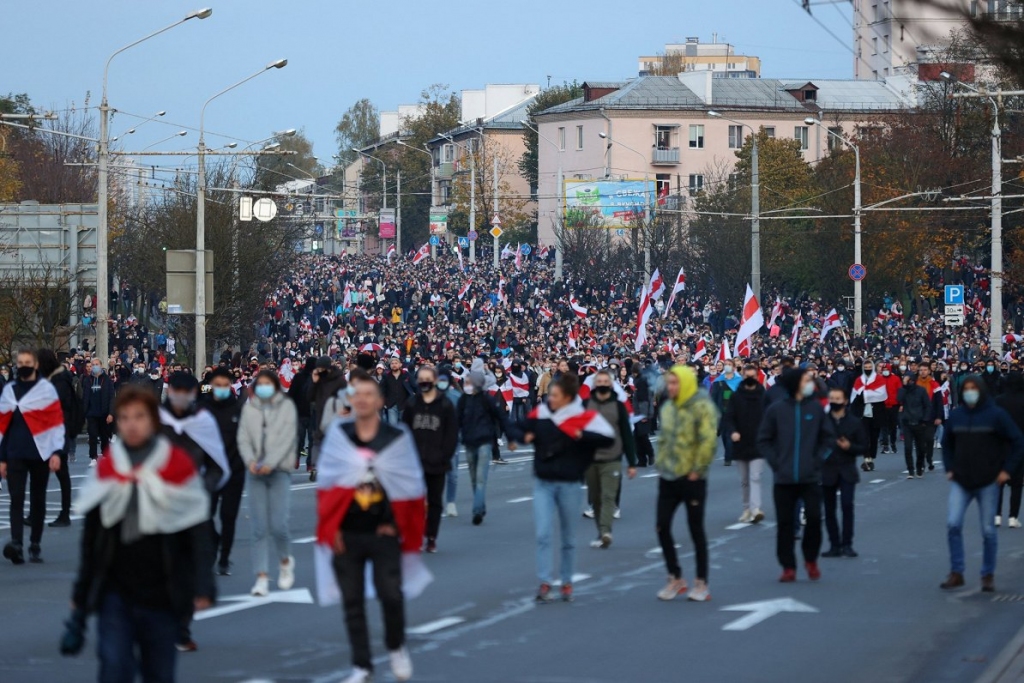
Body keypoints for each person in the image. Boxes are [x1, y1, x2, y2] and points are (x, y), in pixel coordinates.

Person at [66, 385, 214, 683]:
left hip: (163, 589)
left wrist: (203, 584)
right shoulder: (108, 468)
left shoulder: (177, 464)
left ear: (153, 421)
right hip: (115, 590)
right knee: (114, 667)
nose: (131, 424)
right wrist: (82, 593)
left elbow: (197, 530)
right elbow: (92, 538)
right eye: (124, 417)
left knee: (158, 673)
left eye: (139, 416)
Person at [315, 369, 426, 683]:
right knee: (352, 602)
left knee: (390, 593)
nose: (362, 399)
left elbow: (409, 486)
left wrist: (393, 523)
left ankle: (395, 645)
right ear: (350, 399)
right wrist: (331, 527)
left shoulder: (395, 438)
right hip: (347, 531)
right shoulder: (341, 437)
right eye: (357, 394)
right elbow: (328, 485)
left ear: (380, 400)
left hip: (383, 532)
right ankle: (361, 664)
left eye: (369, 394)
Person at [522, 373, 614, 603]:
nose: (549, 398)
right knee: (543, 533)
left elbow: (607, 437)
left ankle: (566, 582)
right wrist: (524, 437)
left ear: (566, 397)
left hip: (570, 483)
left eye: (554, 395)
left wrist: (582, 436)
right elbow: (520, 428)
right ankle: (545, 582)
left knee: (568, 537)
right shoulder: (543, 414)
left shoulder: (582, 415)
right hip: (544, 481)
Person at [159, 371, 228, 652]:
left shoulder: (202, 422)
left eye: (186, 391)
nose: (180, 396)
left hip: (192, 502)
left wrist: (205, 487)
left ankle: (182, 628)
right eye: (176, 390)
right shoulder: (155, 420)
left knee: (187, 567)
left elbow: (216, 465)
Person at [940, 376, 1024, 592]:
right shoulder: (957, 416)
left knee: (988, 530)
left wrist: (1007, 470)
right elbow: (946, 444)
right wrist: (949, 468)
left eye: (973, 389)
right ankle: (957, 571)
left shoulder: (996, 415)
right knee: (953, 524)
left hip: (988, 480)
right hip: (960, 480)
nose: (970, 392)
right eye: (966, 389)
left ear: (982, 390)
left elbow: (1017, 441)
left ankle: (987, 574)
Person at [757, 368, 835, 583]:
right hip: (783, 478)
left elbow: (828, 439)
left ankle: (811, 559)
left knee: (813, 518)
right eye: (806, 380)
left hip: (810, 477)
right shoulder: (776, 410)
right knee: (785, 524)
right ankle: (788, 566)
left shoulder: (816, 409)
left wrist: (817, 461)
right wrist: (776, 463)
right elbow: (764, 440)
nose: (811, 383)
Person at [654, 365, 718, 602]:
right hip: (668, 476)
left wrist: (698, 468)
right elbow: (663, 439)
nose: (670, 387)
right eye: (668, 383)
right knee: (661, 526)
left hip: (692, 478)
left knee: (695, 529)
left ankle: (701, 582)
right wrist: (660, 463)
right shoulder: (668, 408)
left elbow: (708, 440)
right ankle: (675, 577)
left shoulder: (702, 407)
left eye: (674, 383)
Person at [0, 348, 65, 564]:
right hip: (15, 453)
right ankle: (16, 543)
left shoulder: (46, 390)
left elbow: (56, 424)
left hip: (41, 452)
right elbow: (3, 427)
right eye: (20, 362)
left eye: (27, 361)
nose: (23, 365)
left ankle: (35, 542)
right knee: (16, 499)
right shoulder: (9, 390)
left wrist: (56, 452)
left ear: (35, 365)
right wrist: (2, 458)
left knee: (38, 499)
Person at [238, 370, 298, 596]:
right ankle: (261, 577)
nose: (263, 387)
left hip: (279, 470)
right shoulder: (249, 408)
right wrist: (250, 461)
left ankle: (285, 562)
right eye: (259, 384)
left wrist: (270, 463)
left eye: (267, 384)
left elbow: (287, 438)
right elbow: (242, 438)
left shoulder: (286, 407)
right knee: (258, 528)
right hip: (255, 472)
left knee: (279, 525)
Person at [402, 366, 458, 553]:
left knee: (435, 502)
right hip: (415, 462)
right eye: (421, 379)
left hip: (437, 462)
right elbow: (405, 431)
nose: (424, 382)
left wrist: (444, 456)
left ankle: (431, 536)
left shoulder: (445, 405)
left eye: (428, 379)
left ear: (434, 380)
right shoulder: (411, 404)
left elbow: (451, 434)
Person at [456, 359, 518, 526]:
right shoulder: (463, 400)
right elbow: (456, 420)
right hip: (469, 443)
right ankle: (480, 505)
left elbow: (502, 417)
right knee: (474, 478)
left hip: (484, 442)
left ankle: (476, 510)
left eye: (469, 382)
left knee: (481, 478)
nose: (466, 384)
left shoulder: (486, 400)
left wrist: (511, 438)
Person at [583, 369, 637, 549]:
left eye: (607, 381)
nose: (603, 384)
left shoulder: (618, 406)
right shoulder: (585, 404)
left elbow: (626, 434)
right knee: (596, 498)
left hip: (612, 457)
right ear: (595, 384)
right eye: (600, 381)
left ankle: (606, 531)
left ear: (611, 384)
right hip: (590, 458)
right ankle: (601, 530)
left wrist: (631, 461)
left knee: (608, 496)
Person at [202, 368, 245, 576]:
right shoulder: (202, 410)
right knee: (205, 515)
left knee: (229, 516)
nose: (221, 389)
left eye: (225, 385)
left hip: (234, 472)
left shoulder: (238, 409)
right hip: (209, 472)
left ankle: (224, 559)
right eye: (217, 385)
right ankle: (212, 544)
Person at [821, 388, 867, 558]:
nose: (834, 401)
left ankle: (847, 544)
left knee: (847, 506)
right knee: (829, 509)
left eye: (838, 398)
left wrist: (850, 447)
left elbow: (863, 446)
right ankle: (834, 545)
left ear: (845, 401)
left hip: (847, 469)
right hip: (827, 470)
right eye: (831, 398)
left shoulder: (854, 422)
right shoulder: (823, 421)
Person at [39, 349, 83, 528]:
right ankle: (39, 512)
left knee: (61, 473)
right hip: (52, 432)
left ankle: (64, 514)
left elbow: (60, 407)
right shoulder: (54, 379)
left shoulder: (59, 381)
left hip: (58, 432)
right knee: (45, 473)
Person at [723, 363, 767, 524]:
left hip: (758, 442)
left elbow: (770, 418)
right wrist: (733, 431)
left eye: (752, 377)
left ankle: (756, 509)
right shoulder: (737, 396)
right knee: (744, 479)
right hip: (740, 442)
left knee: (755, 476)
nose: (750, 380)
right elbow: (729, 417)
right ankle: (746, 509)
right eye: (747, 377)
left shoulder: (763, 396)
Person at [310, 356, 347, 482]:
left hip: (336, 415)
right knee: (318, 439)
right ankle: (315, 467)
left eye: (321, 368)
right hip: (320, 414)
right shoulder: (319, 379)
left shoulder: (339, 380)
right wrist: (314, 382)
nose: (319, 370)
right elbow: (309, 396)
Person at [995, 371, 1024, 528]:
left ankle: (997, 515)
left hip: (1000, 445)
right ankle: (1013, 517)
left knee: (998, 481)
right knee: (1017, 483)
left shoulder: (999, 400)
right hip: (1019, 445)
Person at [898, 372, 934, 479]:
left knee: (921, 448)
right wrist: (904, 385)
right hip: (907, 423)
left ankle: (919, 467)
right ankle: (910, 470)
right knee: (908, 447)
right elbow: (899, 399)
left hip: (919, 423)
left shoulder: (921, 391)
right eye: (907, 380)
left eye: (910, 380)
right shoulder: (903, 390)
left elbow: (927, 406)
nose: (909, 382)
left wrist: (925, 420)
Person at [438, 372, 463, 517]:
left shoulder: (456, 397)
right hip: (433, 440)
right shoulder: (429, 397)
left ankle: (451, 502)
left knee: (452, 473)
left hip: (452, 439)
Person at [83, 357, 115, 467]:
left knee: (104, 436)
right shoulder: (87, 380)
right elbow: (85, 397)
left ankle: (105, 455)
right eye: (93, 364)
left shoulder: (107, 380)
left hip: (104, 413)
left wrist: (111, 413)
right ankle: (93, 457)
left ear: (101, 365)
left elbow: (112, 397)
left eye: (97, 364)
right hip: (91, 413)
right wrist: (84, 412)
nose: (95, 366)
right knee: (92, 436)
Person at [710, 362, 741, 466]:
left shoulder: (739, 381)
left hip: (735, 412)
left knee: (731, 434)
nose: (727, 366)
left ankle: (728, 457)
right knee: (724, 435)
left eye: (729, 364)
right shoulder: (719, 381)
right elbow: (713, 397)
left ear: (734, 367)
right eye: (726, 364)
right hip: (722, 411)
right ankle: (730, 452)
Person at [288, 357, 316, 469]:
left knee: (305, 438)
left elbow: (291, 394)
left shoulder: (301, 377)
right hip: (305, 412)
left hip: (305, 412)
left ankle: (305, 461)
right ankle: (304, 461)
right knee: (307, 439)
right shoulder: (302, 377)